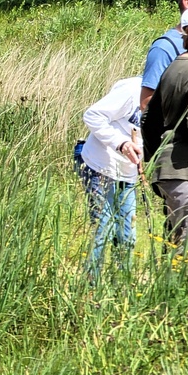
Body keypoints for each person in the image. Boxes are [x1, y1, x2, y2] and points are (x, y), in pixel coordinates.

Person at [141, 4, 188, 252]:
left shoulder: (174, 67)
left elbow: (149, 119)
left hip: (170, 174)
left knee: (176, 252)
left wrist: (156, 161)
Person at [76, 77, 142, 281]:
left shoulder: (177, 96)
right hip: (100, 165)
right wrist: (122, 144)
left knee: (127, 234)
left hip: (128, 172)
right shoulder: (132, 91)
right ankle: (90, 288)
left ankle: (120, 289)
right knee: (102, 228)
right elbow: (92, 115)